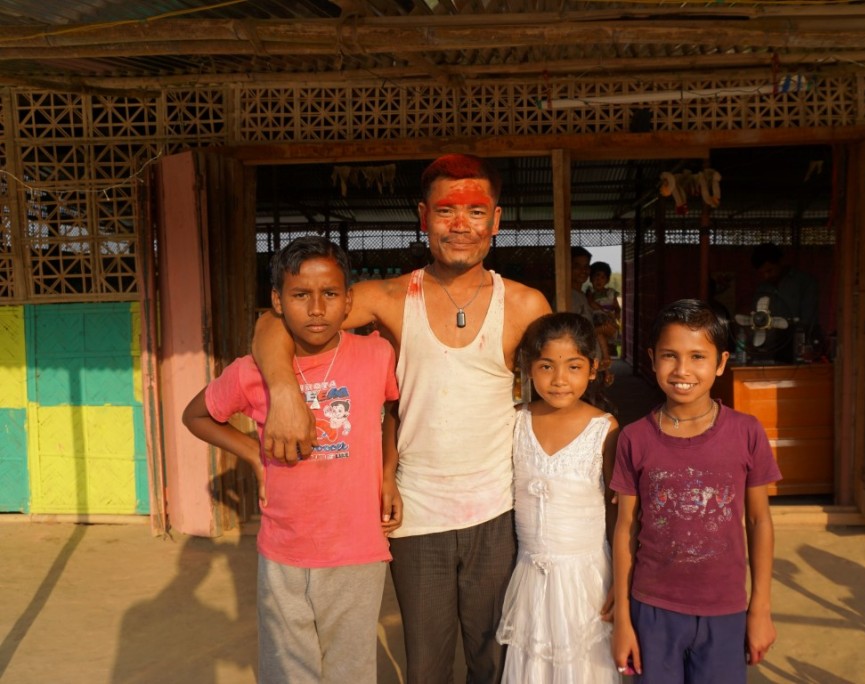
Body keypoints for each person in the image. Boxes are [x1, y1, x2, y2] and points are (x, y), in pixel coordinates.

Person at [251, 154, 552, 684]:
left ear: (496, 220)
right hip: (416, 515)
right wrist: (283, 392)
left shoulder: (527, 306)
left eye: (475, 211)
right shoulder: (390, 297)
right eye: (446, 211)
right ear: (423, 216)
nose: (460, 225)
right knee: (426, 665)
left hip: (499, 511)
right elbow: (277, 322)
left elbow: (560, 394)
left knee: (495, 657)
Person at [182, 236, 400, 683]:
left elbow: (394, 411)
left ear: (349, 301)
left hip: (357, 549)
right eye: (301, 296)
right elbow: (196, 415)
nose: (317, 308)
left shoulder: (376, 356)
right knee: (288, 669)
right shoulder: (250, 372)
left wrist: (388, 472)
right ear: (277, 302)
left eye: (330, 294)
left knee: (351, 668)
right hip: (285, 549)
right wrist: (253, 456)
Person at [609, 299, 780, 682]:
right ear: (652, 359)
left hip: (725, 609)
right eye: (670, 355)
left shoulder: (747, 432)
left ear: (720, 363)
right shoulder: (634, 439)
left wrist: (761, 607)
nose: (682, 370)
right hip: (652, 609)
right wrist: (623, 618)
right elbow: (625, 529)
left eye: (698, 357)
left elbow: (759, 520)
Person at [496, 312, 621, 683]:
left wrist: (620, 577)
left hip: (587, 579)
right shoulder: (516, 421)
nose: (560, 379)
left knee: (582, 666)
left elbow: (617, 510)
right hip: (531, 575)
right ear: (528, 369)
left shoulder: (605, 428)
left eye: (573, 366)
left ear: (593, 368)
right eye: (546, 366)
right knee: (533, 662)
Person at [750, 242, 819, 361]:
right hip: (770, 350)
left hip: (798, 347)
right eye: (762, 273)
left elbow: (809, 321)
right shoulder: (762, 289)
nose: (766, 276)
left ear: (780, 262)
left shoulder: (804, 283)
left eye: (769, 270)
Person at [566, 246, 615, 385]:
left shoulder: (584, 296)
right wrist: (601, 330)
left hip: (591, 367)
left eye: (586, 266)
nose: (583, 270)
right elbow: (568, 335)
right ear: (567, 266)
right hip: (577, 369)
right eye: (577, 266)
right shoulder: (566, 296)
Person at [587, 260, 622, 357]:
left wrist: (617, 314)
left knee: (607, 343)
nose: (599, 280)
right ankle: (606, 365)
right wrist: (603, 310)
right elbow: (591, 303)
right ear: (590, 278)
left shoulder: (611, 293)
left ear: (607, 280)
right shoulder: (590, 292)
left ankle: (607, 361)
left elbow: (616, 307)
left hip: (608, 319)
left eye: (603, 277)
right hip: (597, 320)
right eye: (596, 276)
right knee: (600, 340)